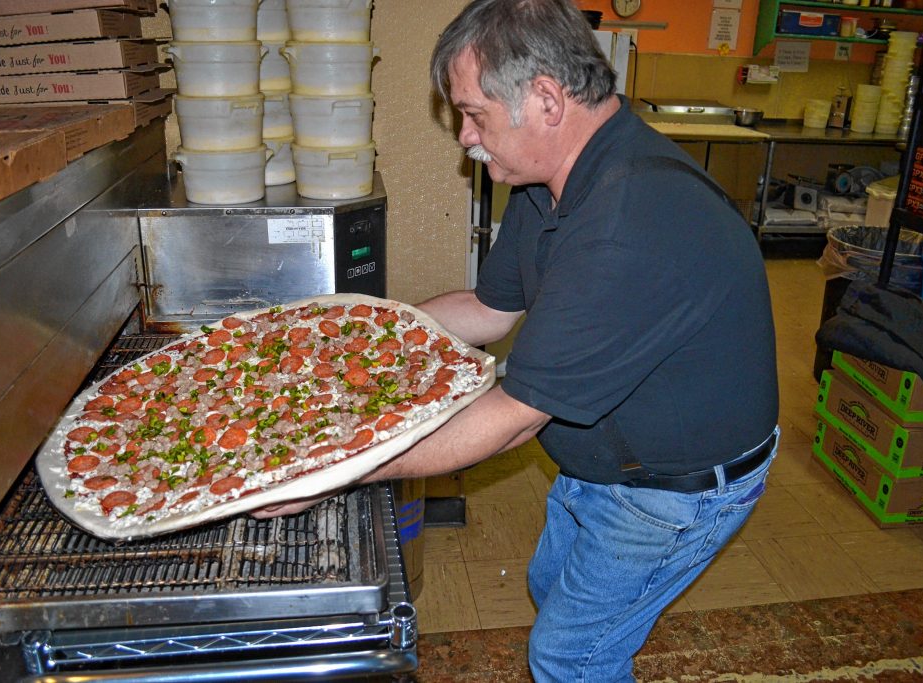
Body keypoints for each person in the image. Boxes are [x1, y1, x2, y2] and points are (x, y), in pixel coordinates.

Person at [257, 0, 779, 679]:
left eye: (474, 115)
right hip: (608, 456)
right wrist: (354, 339)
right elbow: (486, 307)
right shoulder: (547, 180)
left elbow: (510, 421)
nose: (466, 138)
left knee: (570, 652)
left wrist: (338, 467)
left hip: (676, 489)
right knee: (552, 588)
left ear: (546, 100)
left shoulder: (627, 221)